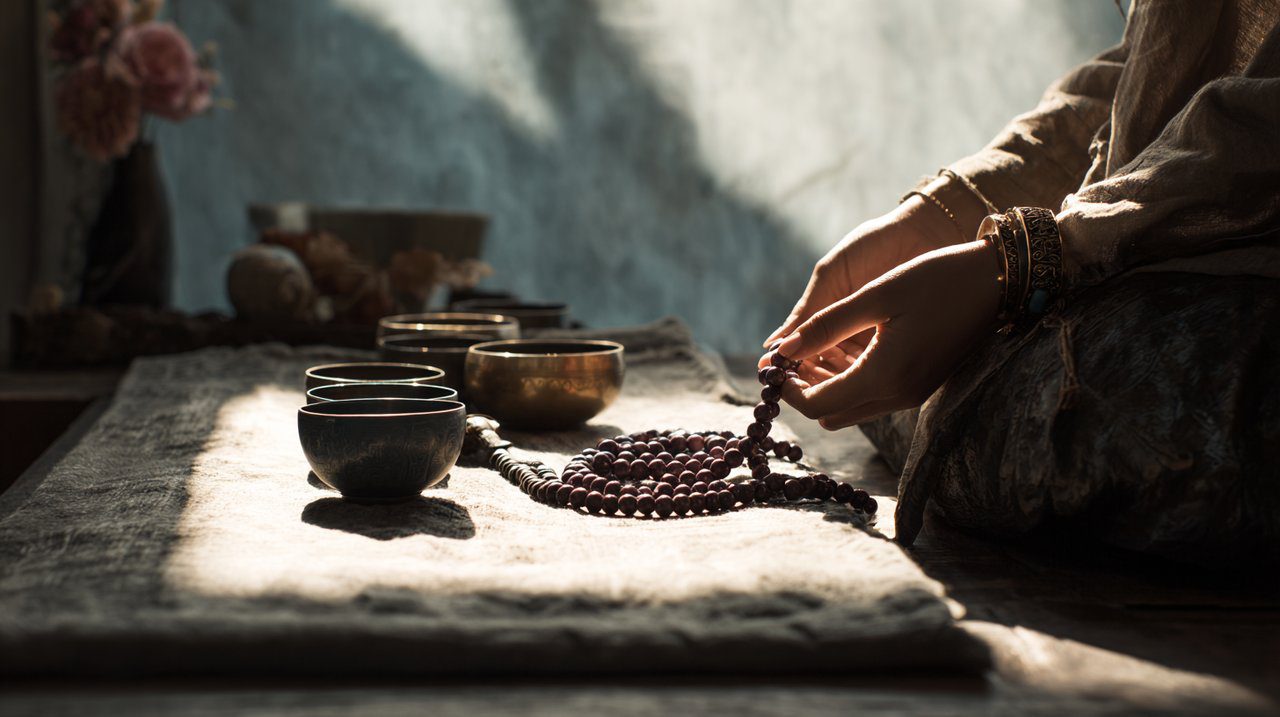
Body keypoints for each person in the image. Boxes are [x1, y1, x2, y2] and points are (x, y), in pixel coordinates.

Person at [763, 1, 1280, 564]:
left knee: (1051, 411)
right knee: (912, 371)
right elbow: (1153, 74)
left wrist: (1023, 258)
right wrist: (944, 214)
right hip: (1137, 236)